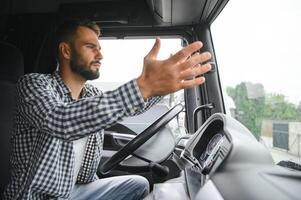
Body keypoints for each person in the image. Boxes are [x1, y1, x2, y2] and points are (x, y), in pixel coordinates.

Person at [3, 20, 211, 200]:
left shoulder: (91, 93)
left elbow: (127, 107)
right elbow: (62, 121)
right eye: (90, 47)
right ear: (66, 51)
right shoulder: (33, 85)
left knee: (138, 184)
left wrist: (158, 88)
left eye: (100, 48)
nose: (100, 55)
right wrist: (143, 86)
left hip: (75, 191)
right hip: (36, 196)